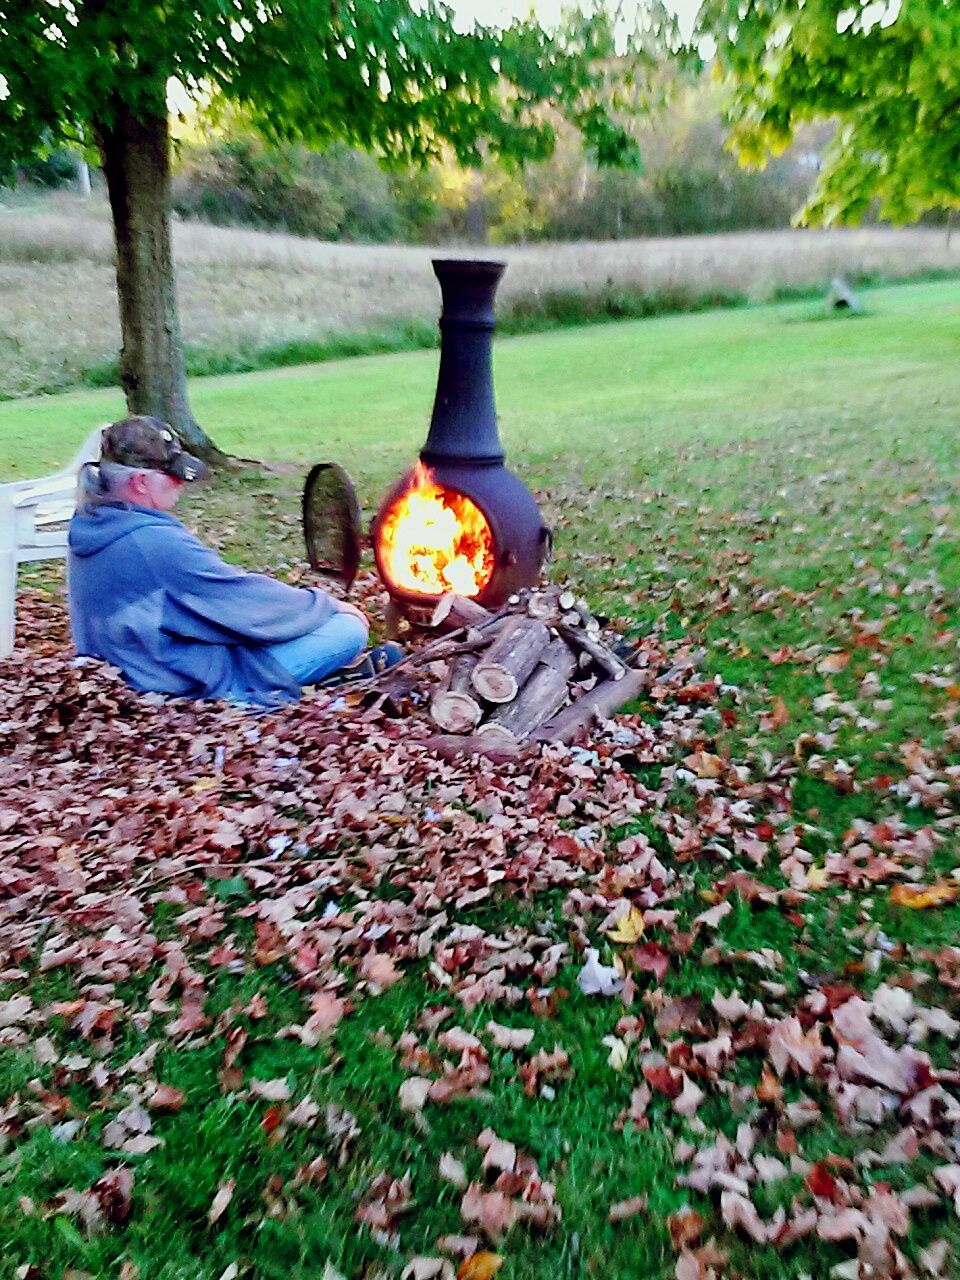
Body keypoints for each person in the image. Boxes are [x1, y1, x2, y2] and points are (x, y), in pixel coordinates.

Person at [68, 416, 398, 707]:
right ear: (140, 483)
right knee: (346, 630)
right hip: (172, 683)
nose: (181, 484)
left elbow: (208, 600)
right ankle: (254, 696)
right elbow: (241, 599)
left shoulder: (94, 521)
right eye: (172, 476)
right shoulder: (149, 542)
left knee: (288, 620)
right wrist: (326, 604)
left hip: (140, 665)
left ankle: (323, 680)